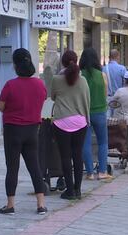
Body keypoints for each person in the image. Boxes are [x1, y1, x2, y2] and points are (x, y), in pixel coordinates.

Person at [0, 48, 47, 215]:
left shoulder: (11, 85)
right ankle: (41, 204)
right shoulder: (40, 84)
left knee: (12, 167)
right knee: (34, 166)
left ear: (15, 64)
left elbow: (0, 106)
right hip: (32, 130)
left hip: (13, 130)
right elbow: (42, 99)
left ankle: (10, 205)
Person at [51, 50, 90, 200]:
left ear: (63, 63)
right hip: (80, 121)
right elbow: (87, 100)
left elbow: (53, 97)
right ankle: (78, 189)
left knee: (65, 157)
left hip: (62, 121)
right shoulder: (83, 81)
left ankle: (69, 191)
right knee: (77, 155)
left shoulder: (56, 79)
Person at [80, 48, 113, 181]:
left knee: (85, 143)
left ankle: (89, 173)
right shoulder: (102, 75)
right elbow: (105, 94)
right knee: (103, 142)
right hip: (100, 112)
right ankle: (102, 171)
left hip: (84, 113)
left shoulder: (80, 75)